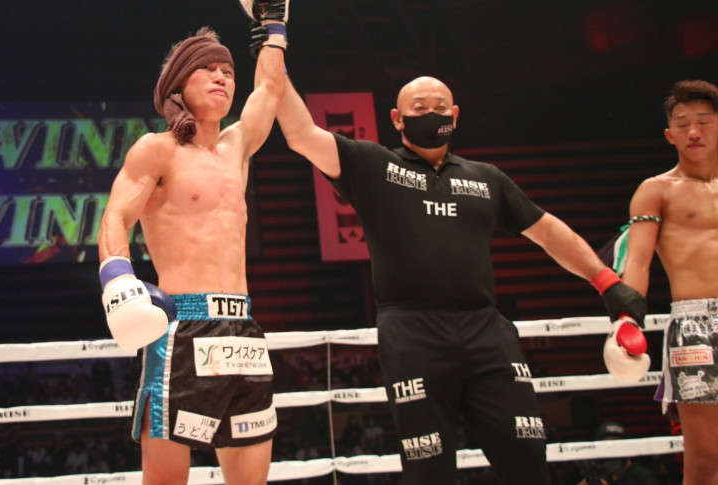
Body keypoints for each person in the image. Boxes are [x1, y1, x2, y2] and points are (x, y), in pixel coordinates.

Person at [265, 56, 647, 483]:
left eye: (440, 107)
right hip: (412, 333)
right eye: (419, 108)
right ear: (397, 119)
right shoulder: (374, 165)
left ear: (456, 115)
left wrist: (607, 282)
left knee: (527, 459)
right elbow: (301, 134)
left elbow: (547, 230)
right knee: (429, 472)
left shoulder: (487, 179)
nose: (432, 114)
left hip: (486, 330)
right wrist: (273, 52)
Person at [97, 0, 290, 484]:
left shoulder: (237, 148)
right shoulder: (157, 150)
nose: (222, 77)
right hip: (183, 326)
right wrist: (117, 280)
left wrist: (273, 25)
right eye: (207, 69)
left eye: (227, 70)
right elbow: (116, 215)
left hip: (243, 330)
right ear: (179, 84)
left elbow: (270, 87)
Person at [620, 79, 718, 485]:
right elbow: (637, 260)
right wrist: (625, 319)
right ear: (669, 135)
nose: (693, 132)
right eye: (682, 124)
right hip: (695, 326)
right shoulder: (655, 191)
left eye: (704, 121)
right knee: (705, 458)